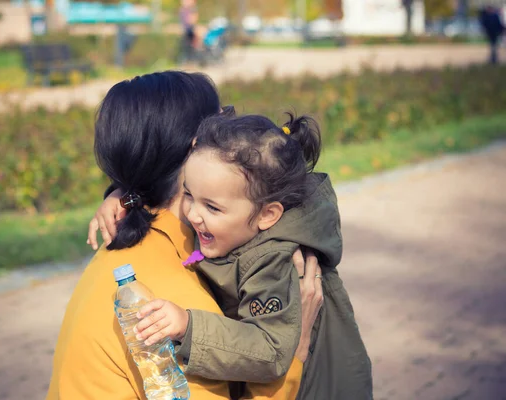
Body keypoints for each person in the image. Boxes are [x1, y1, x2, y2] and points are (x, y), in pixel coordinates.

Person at [47, 71, 324, 400]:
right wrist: (296, 348)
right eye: (224, 121)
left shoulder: (133, 248)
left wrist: (122, 192)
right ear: (198, 148)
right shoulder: (166, 308)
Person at [92, 114, 373, 398]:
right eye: (189, 194)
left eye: (212, 208)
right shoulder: (238, 208)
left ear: (267, 214)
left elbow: (270, 351)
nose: (192, 214)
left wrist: (188, 327)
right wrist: (122, 196)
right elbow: (174, 185)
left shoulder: (273, 262)